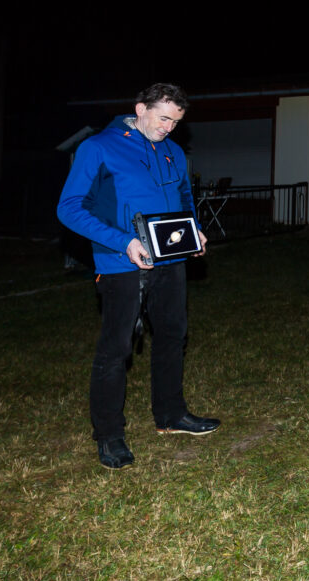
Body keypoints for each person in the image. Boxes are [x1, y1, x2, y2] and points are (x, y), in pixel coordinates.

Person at [57, 83, 219, 470]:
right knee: (116, 350)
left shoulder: (173, 151)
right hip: (120, 262)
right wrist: (123, 241)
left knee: (172, 336)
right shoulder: (99, 147)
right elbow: (69, 208)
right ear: (140, 109)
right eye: (163, 118)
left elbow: (184, 198)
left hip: (170, 261)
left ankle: (171, 415)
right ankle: (109, 435)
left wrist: (194, 230)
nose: (168, 128)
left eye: (175, 122)